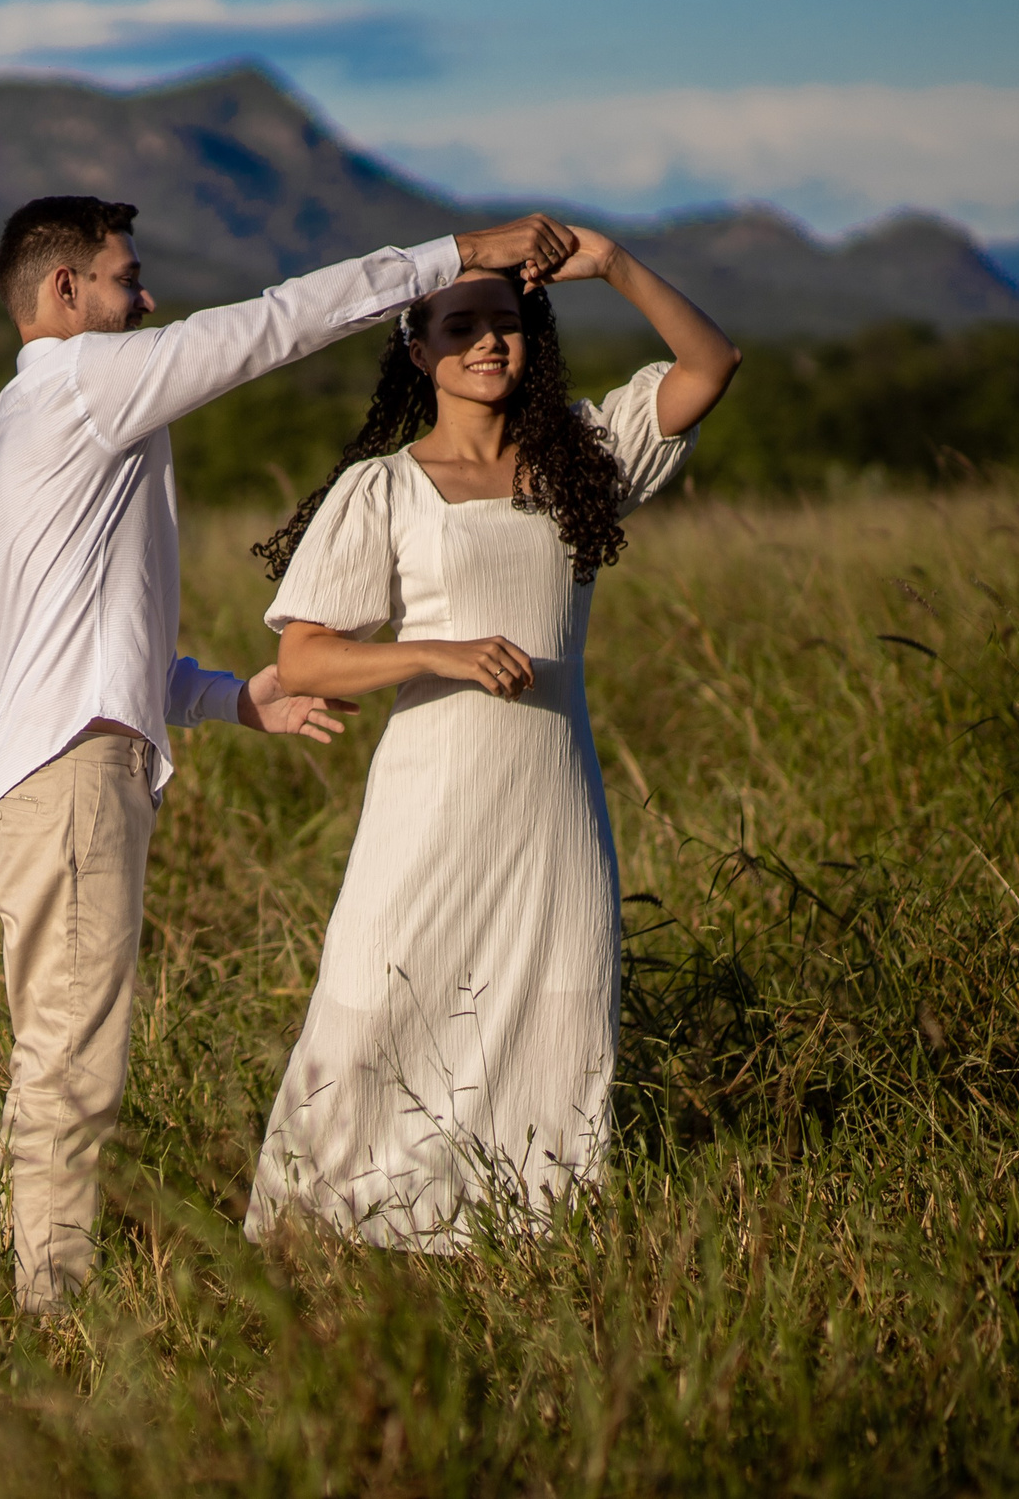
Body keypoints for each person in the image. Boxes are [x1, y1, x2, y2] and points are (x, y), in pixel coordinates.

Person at [0, 195, 585, 1311]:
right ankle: (48, 1316)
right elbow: (278, 322)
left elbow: (75, 637)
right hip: (69, 777)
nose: (147, 300)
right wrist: (458, 254)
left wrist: (224, 698)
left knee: (68, 1048)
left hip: (73, 758)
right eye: (126, 278)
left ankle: (51, 1294)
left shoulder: (40, 418)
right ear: (65, 293)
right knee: (69, 1059)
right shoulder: (79, 384)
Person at [239, 224, 741, 1252]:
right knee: (381, 999)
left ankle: (522, 1229)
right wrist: (438, 652)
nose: (485, 343)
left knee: (558, 1005)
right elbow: (305, 659)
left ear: (532, 337)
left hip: (552, 799)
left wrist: (612, 266)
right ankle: (329, 1231)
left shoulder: (581, 457)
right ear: (416, 351)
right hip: (430, 797)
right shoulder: (382, 486)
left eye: (505, 324)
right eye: (458, 326)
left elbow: (708, 365)